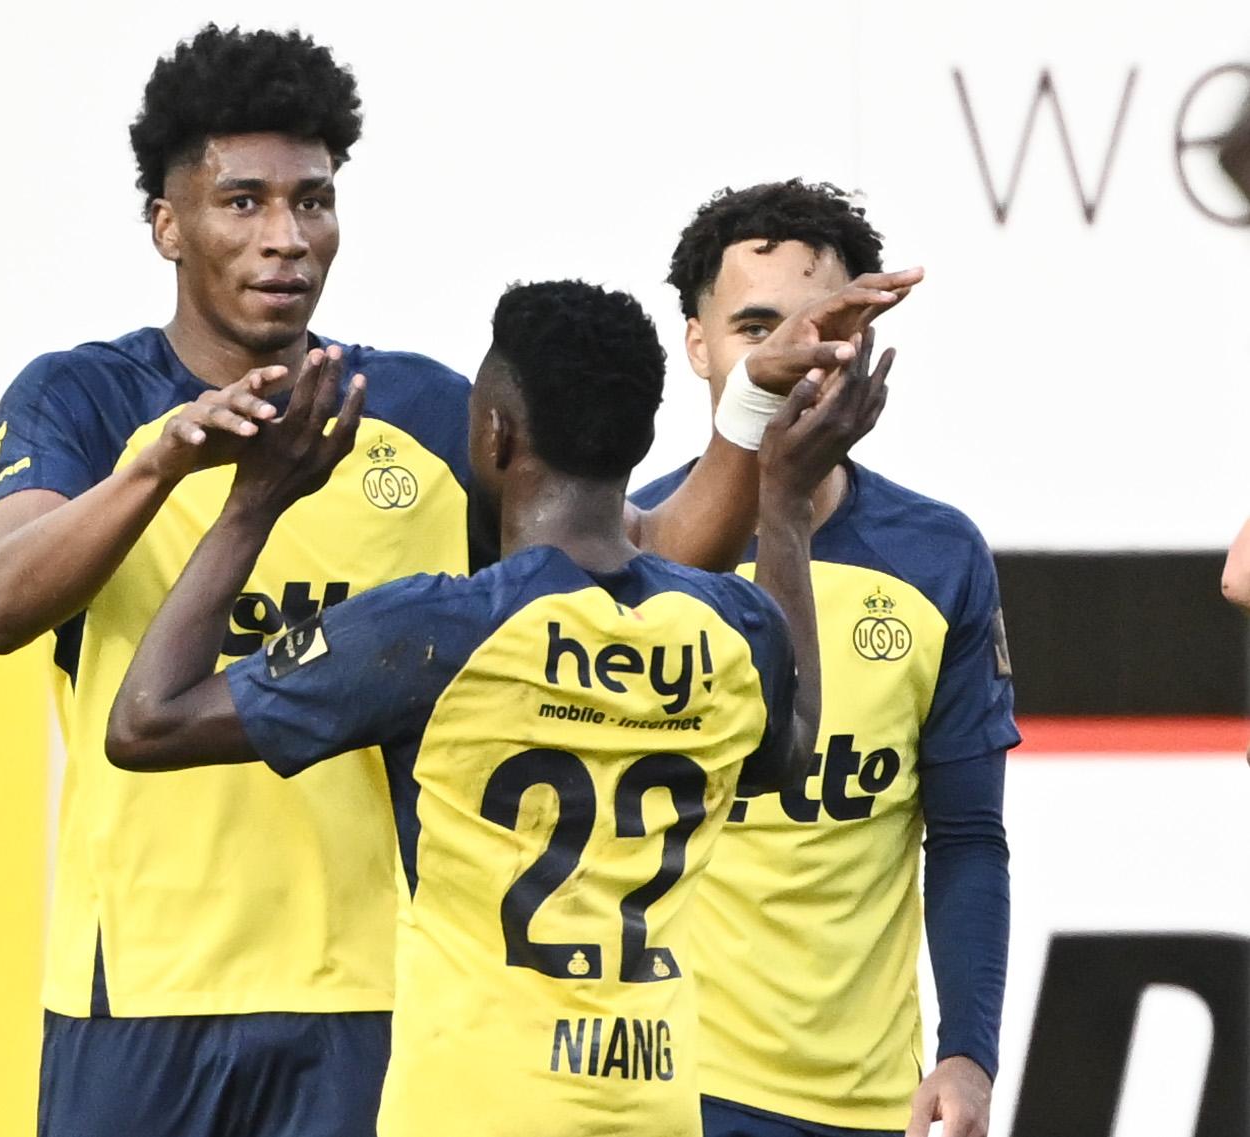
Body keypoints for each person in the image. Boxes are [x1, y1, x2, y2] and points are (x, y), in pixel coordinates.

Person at [0, 26, 917, 1137]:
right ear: (167, 223)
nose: (286, 237)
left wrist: (751, 404)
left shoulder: (414, 410)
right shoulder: (83, 400)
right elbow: (1, 604)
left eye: (313, 201)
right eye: (243, 202)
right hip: (136, 985)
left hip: (367, 992)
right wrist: (162, 464)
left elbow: (644, 556)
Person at [106, 279, 890, 1136]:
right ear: (638, 440)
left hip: (472, 1107)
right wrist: (784, 507)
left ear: (494, 434)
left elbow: (146, 719)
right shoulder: (729, 625)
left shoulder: (437, 628)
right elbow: (792, 752)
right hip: (652, 1107)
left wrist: (254, 502)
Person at [629, 180, 1018, 1137]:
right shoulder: (635, 549)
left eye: (823, 326)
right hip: (667, 1088)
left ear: (863, 341)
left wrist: (967, 1052)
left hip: (867, 1101)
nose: (793, 357)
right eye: (756, 327)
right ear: (696, 345)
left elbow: (965, 833)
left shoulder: (937, 557)